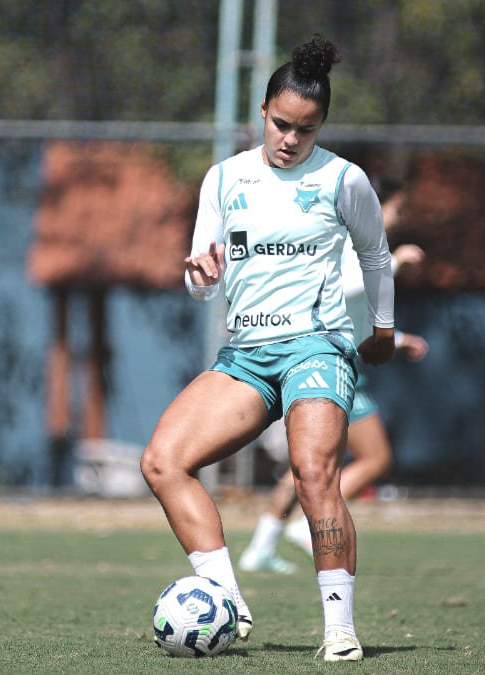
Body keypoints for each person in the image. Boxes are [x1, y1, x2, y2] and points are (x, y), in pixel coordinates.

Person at [140, 34, 395, 662]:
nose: (290, 138)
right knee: (162, 462)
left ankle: (339, 629)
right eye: (282, 124)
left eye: (305, 130)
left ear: (321, 126)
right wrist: (199, 278)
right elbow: (204, 276)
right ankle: (227, 600)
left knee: (314, 477)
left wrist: (383, 329)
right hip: (246, 355)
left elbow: (376, 255)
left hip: (317, 346)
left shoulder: (344, 179)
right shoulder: (224, 179)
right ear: (262, 111)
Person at [240, 180, 428, 572]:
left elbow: (350, 314)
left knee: (311, 463)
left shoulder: (345, 238)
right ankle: (304, 530)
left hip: (322, 356)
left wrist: (401, 337)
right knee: (374, 458)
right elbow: (343, 290)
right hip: (331, 362)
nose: (396, 219)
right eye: (395, 210)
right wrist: (395, 262)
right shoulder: (347, 239)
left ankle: (262, 545)